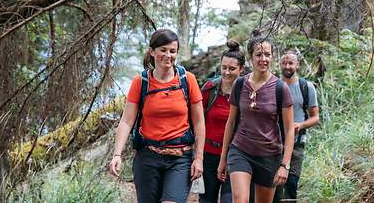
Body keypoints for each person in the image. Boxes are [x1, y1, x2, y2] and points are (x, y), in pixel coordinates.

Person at [108, 29, 205, 203]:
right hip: (147, 157)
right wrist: (117, 154)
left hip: (180, 158)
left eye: (172, 51)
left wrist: (198, 159)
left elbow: (199, 123)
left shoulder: (187, 80)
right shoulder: (141, 82)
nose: (168, 55)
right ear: (152, 52)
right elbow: (126, 121)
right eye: (163, 50)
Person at [217, 30, 296, 203]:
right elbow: (230, 123)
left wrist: (285, 165)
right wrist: (223, 159)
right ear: (251, 57)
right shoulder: (240, 84)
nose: (263, 59)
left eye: (267, 54)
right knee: (240, 200)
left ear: (273, 57)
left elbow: (290, 129)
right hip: (240, 151)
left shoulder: (280, 88)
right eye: (259, 54)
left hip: (269, 156)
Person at [200, 40, 246, 203]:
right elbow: (197, 119)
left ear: (241, 70)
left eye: (232, 69)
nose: (226, 72)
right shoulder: (210, 88)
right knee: (206, 199)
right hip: (208, 155)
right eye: (224, 67)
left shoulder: (247, 93)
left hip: (236, 156)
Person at [274, 50, 320, 202]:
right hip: (274, 142)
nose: (287, 66)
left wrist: (300, 125)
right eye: (284, 63)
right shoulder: (273, 86)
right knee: (275, 184)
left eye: (291, 63)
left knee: (291, 183)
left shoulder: (306, 87)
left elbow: (315, 118)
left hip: (297, 144)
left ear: (297, 65)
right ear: (279, 64)